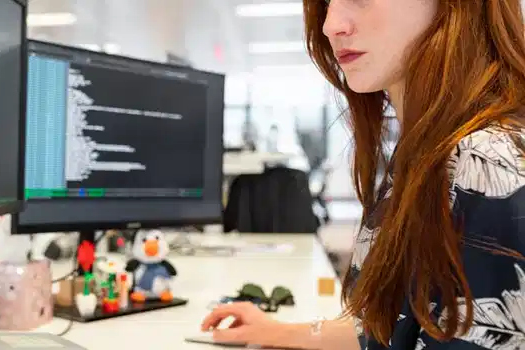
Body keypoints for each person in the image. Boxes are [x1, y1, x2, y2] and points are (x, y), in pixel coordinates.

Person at [202, 1, 525, 349]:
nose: (329, 25)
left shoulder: (485, 161)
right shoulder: (430, 150)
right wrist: (278, 332)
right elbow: (398, 329)